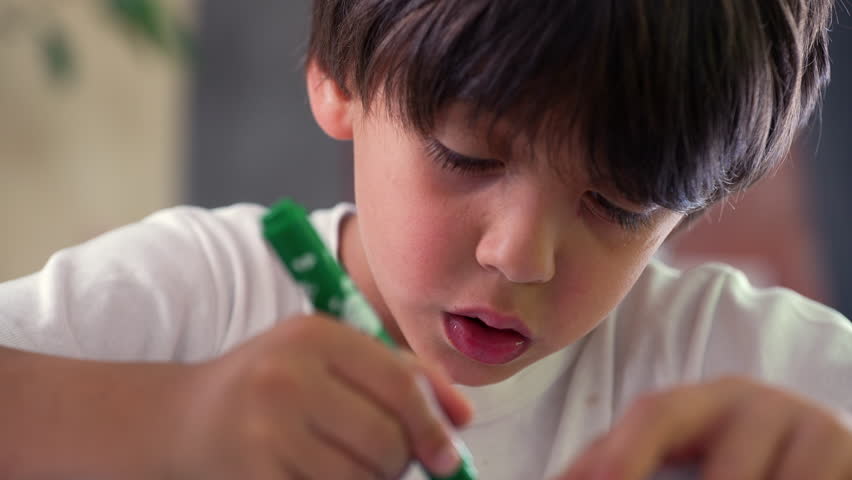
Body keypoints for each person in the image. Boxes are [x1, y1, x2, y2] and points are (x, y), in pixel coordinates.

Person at [1, 1, 850, 479]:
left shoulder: (764, 371)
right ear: (340, 81)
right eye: (467, 155)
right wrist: (169, 421)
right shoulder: (193, 299)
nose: (521, 255)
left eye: (620, 206)